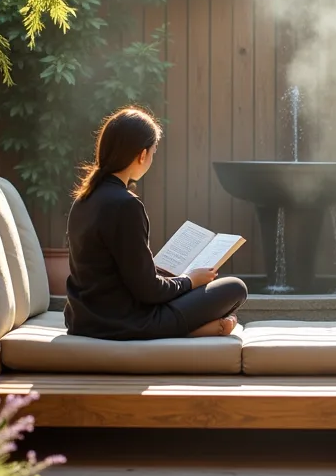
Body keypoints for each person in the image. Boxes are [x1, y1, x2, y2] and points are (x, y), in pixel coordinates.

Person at [63, 106, 248, 340]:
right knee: (234, 288)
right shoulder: (126, 205)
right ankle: (195, 329)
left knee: (193, 285)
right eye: (153, 152)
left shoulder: (83, 200)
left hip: (82, 319)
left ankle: (199, 328)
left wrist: (178, 279)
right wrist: (190, 281)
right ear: (142, 155)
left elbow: (116, 272)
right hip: (124, 322)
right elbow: (148, 291)